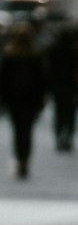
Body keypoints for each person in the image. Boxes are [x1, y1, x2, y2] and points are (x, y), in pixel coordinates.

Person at [0, 23, 48, 178]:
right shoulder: (35, 55)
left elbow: (3, 80)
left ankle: (20, 159)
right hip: (30, 100)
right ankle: (25, 159)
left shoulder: (10, 55)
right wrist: (41, 100)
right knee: (27, 132)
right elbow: (42, 80)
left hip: (14, 100)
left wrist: (4, 100)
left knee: (17, 131)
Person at [45, 23, 78, 152]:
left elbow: (49, 70)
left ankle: (59, 136)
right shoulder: (74, 50)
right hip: (71, 87)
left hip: (58, 87)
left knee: (59, 113)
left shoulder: (53, 49)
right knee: (70, 114)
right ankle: (68, 136)